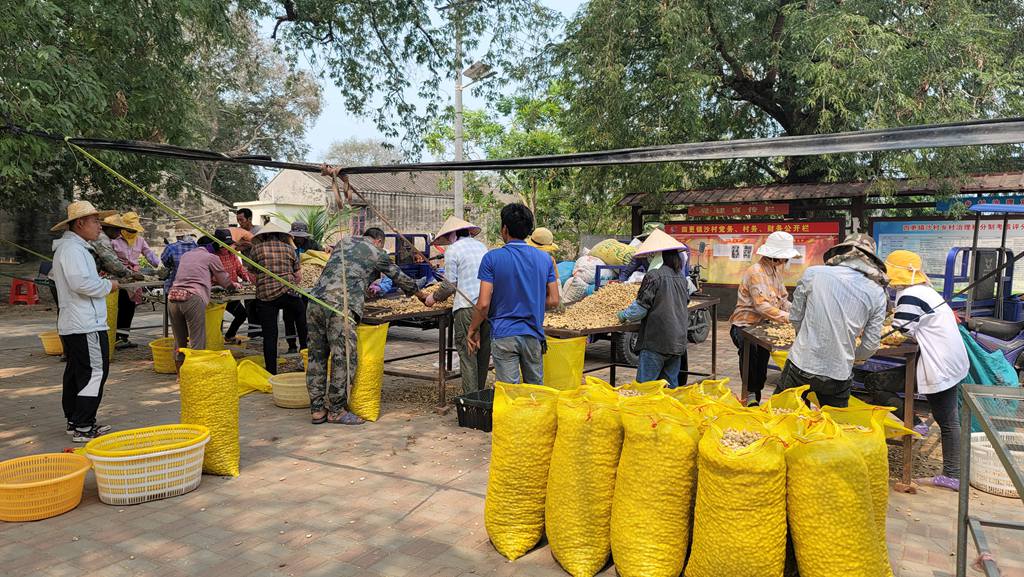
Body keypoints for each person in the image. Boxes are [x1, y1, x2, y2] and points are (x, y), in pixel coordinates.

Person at [306, 227, 426, 424]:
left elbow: (349, 272)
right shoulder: (377, 252)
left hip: (315, 303)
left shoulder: (343, 244)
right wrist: (420, 294)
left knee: (316, 356)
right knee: (343, 357)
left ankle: (317, 409)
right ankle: (336, 410)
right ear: (379, 241)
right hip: (339, 308)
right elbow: (398, 276)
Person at [885, 250, 969, 491]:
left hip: (939, 364)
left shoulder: (911, 294)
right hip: (948, 361)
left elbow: (899, 332)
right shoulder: (924, 291)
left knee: (948, 420)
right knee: (948, 419)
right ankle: (917, 423)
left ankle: (952, 475)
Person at [777, 233, 889, 408]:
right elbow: (870, 346)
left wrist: (806, 339)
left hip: (801, 364)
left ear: (841, 252)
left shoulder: (814, 273)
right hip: (838, 373)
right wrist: (850, 355)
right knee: (834, 429)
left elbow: (796, 317)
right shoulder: (877, 292)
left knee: (783, 418)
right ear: (871, 261)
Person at [50, 201, 119, 442]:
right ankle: (83, 425)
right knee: (95, 372)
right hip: (85, 322)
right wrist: (108, 285)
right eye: (95, 221)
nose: (99, 225)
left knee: (77, 372)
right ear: (80, 223)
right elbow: (82, 284)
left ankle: (75, 420)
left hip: (76, 321)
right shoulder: (72, 250)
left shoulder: (74, 248)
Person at [467, 204, 559, 385]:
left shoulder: (492, 258)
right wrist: (531, 302)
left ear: (505, 229)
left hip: (504, 335)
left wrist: (473, 329)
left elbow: (483, 303)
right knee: (536, 393)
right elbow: (554, 300)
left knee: (510, 394)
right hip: (533, 334)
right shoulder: (545, 259)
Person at [729, 231, 799, 405]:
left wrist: (797, 313)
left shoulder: (775, 272)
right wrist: (789, 318)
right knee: (751, 363)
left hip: (763, 327)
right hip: (745, 327)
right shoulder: (756, 272)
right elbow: (762, 306)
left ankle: (755, 396)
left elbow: (782, 300)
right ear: (776, 257)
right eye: (784, 258)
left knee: (761, 364)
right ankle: (751, 398)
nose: (785, 262)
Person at [615, 229, 690, 388]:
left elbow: (640, 310)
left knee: (645, 388)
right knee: (670, 389)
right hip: (677, 342)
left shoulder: (654, 276)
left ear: (659, 256)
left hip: (657, 341)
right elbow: (686, 302)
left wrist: (623, 315)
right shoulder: (681, 279)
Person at [428, 216, 490, 394]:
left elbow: (449, 285)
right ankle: (480, 395)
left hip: (467, 307)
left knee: (468, 354)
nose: (448, 242)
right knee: (483, 353)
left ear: (453, 235)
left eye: (448, 238)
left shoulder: (453, 250)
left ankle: (471, 400)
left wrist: (434, 297)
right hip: (487, 305)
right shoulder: (482, 246)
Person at [243, 222, 306, 374]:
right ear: (281, 236)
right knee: (303, 327)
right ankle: (307, 361)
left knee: (270, 335)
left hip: (266, 297)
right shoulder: (289, 248)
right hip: (290, 293)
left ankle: (271, 372)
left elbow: (251, 276)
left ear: (263, 236)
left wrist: (263, 282)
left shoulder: (257, 249)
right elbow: (298, 276)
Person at [167, 235, 232, 369]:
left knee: (179, 340)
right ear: (213, 247)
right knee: (197, 339)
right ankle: (196, 373)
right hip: (192, 298)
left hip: (173, 296)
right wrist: (232, 287)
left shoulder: (186, 255)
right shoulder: (211, 257)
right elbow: (223, 279)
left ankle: (180, 375)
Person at [108, 212, 160, 349]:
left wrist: (158, 265)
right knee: (118, 306)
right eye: (130, 229)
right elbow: (110, 261)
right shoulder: (113, 240)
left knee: (129, 307)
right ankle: (114, 337)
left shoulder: (140, 240)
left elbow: (148, 253)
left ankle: (124, 337)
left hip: (133, 278)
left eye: (134, 230)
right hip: (117, 276)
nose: (132, 232)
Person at [282, 220, 322, 352]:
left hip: (308, 287)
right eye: (296, 237)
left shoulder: (313, 245)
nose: (299, 239)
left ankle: (305, 346)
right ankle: (291, 345)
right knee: (288, 317)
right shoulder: (286, 244)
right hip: (289, 285)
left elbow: (321, 257)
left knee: (303, 317)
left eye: (301, 237)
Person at [210, 228, 254, 344]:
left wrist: (248, 279)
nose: (227, 247)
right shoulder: (212, 255)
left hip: (231, 291)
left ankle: (229, 336)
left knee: (241, 314)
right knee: (217, 318)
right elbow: (211, 275)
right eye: (224, 244)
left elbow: (240, 269)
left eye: (229, 244)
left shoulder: (232, 255)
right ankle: (215, 342)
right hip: (216, 292)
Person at [160, 222, 198, 291]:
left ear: (178, 236)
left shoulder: (171, 248)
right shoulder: (198, 247)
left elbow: (165, 263)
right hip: (195, 288)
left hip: (175, 287)